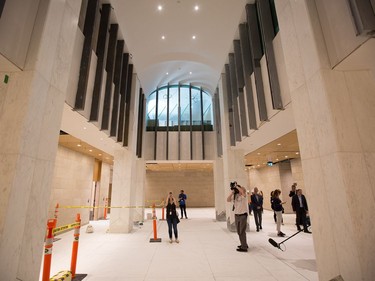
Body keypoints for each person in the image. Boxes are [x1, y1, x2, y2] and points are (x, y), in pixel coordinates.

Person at [227, 182, 249, 252]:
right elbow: (228, 200)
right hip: (237, 216)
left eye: (239, 189)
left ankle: (244, 247)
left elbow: (242, 192)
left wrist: (237, 187)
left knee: (242, 231)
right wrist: (232, 192)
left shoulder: (244, 196)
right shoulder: (235, 196)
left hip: (243, 215)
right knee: (239, 231)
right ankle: (243, 244)